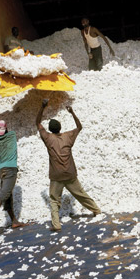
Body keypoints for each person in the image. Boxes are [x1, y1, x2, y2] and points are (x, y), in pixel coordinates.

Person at [36, 99, 101, 231]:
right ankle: (96, 210)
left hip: (56, 176)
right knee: (80, 194)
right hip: (70, 173)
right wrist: (72, 113)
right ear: (60, 128)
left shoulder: (48, 138)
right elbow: (79, 127)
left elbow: (37, 123)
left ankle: (56, 225)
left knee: (54, 200)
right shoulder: (68, 136)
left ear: (50, 129)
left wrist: (42, 106)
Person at [0, 92, 27, 231]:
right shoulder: (11, 136)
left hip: (1, 170)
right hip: (11, 170)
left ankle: (14, 221)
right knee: (4, 194)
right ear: (6, 129)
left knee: (8, 196)